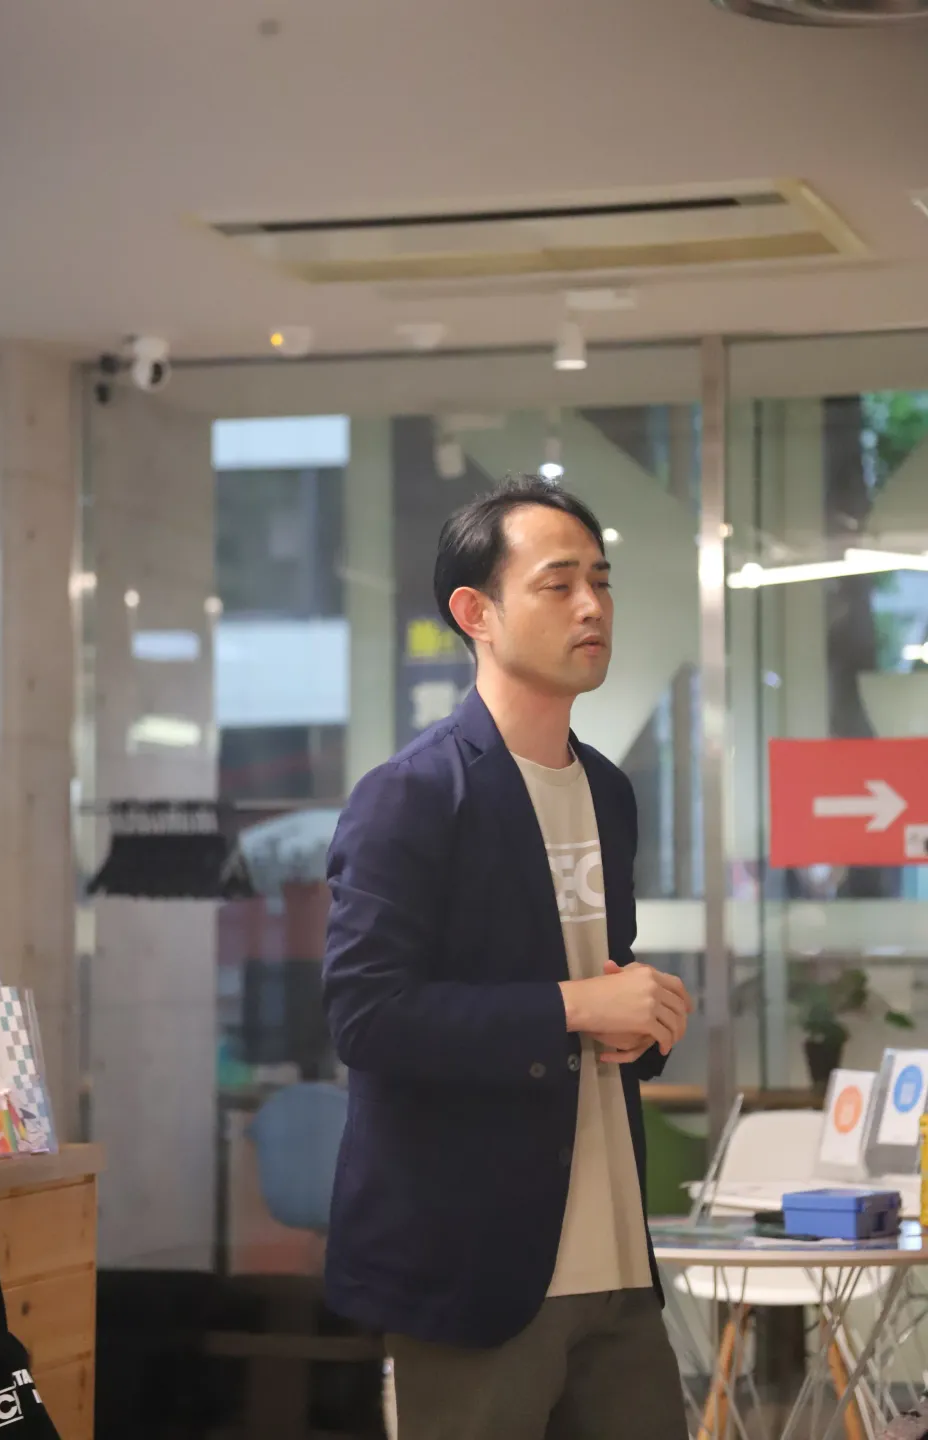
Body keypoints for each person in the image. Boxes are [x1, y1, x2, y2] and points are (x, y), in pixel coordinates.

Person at [322, 475, 693, 1439]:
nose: (592, 606)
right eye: (558, 583)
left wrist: (646, 1019)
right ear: (475, 612)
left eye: (601, 582)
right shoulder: (410, 794)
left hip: (619, 1263)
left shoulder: (608, 790)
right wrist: (575, 1008)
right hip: (476, 1268)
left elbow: (598, 982)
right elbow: (368, 1016)